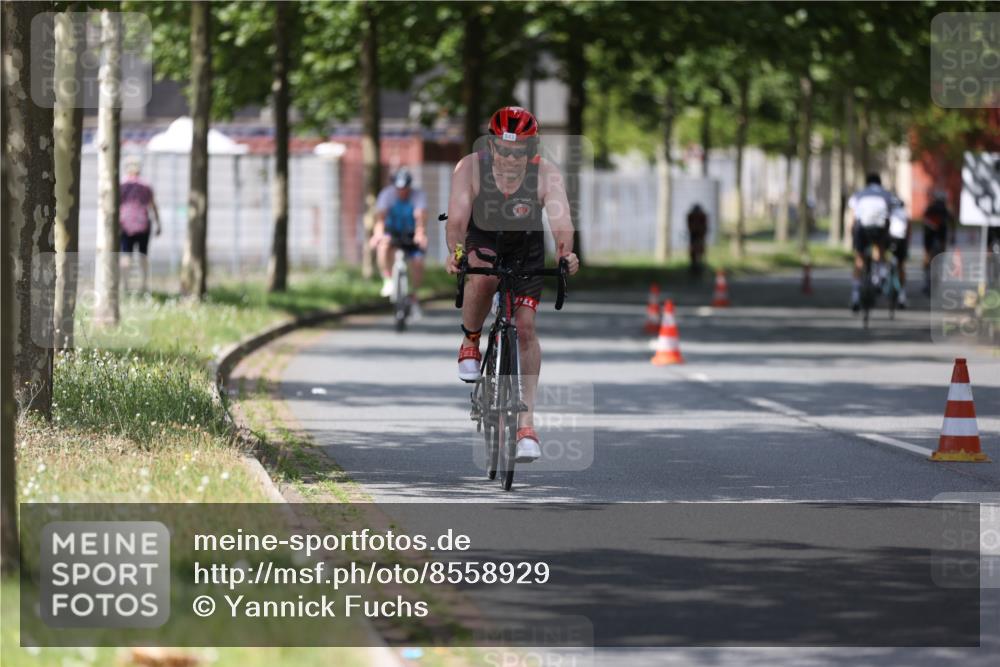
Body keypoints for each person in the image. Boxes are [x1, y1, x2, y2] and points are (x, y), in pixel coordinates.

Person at [444, 106, 580, 463]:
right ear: (490, 146)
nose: (508, 158)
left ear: (530, 150)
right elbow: (457, 218)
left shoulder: (545, 174)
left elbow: (560, 217)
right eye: (502, 150)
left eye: (517, 151)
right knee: (484, 274)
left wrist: (566, 252)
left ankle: (525, 427)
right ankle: (471, 341)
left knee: (525, 327)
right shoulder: (469, 167)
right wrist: (456, 252)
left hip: (526, 249)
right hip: (484, 239)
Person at [371, 167, 428, 319]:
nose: (402, 191)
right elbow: (380, 219)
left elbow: (420, 217)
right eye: (399, 188)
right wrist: (378, 234)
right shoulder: (386, 195)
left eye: (405, 188)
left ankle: (414, 295)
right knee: (383, 247)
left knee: (418, 262)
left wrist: (420, 234)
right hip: (392, 232)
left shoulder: (418, 195)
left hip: (411, 233)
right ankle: (388, 278)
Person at [848, 173, 893, 311]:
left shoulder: (859, 194)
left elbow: (852, 218)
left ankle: (855, 296)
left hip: (862, 227)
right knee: (879, 249)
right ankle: (879, 277)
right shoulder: (886, 194)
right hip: (879, 227)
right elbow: (890, 214)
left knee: (859, 258)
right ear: (880, 183)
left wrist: (852, 237)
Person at [119, 158, 161, 293]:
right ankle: (144, 285)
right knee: (143, 255)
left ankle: (125, 285)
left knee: (126, 255)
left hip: (125, 225)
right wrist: (158, 223)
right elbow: (153, 206)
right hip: (143, 224)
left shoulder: (121, 185)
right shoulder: (146, 186)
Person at [921, 190, 953, 295]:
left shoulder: (930, 208)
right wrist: (953, 236)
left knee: (927, 260)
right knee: (939, 261)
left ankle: (927, 282)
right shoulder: (945, 209)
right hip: (940, 239)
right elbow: (952, 223)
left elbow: (924, 223)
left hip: (929, 238)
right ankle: (934, 281)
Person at [887, 195, 910, 308]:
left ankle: (878, 275)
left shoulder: (887, 211)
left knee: (882, 256)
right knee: (901, 266)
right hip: (901, 240)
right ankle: (902, 294)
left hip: (890, 239)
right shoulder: (905, 213)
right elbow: (908, 231)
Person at [686, 203, 708, 276]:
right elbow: (689, 226)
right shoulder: (692, 216)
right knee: (694, 251)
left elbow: (705, 226)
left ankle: (699, 267)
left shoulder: (701, 216)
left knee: (699, 250)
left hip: (699, 235)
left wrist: (702, 232)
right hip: (694, 235)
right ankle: (694, 267)